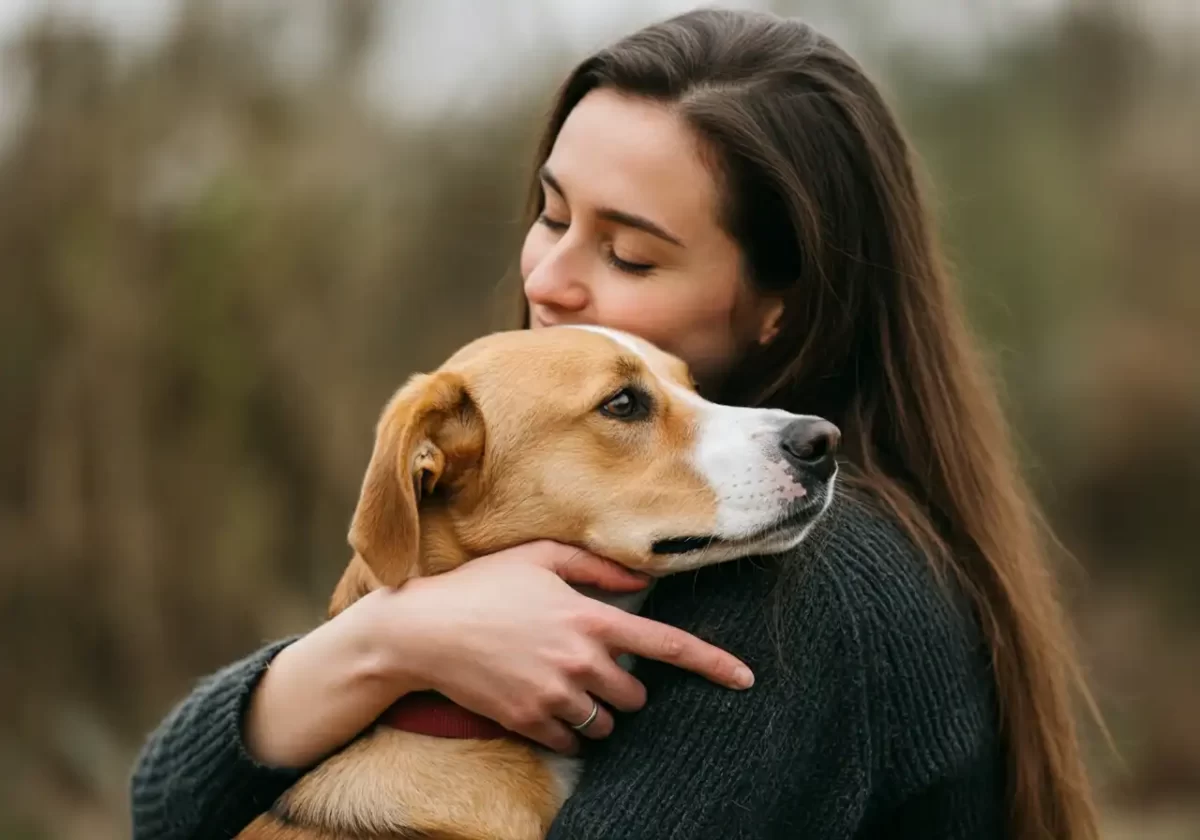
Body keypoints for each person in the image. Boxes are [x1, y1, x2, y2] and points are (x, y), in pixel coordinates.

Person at [129, 8, 1102, 839]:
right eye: (551, 216)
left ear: (783, 304)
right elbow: (166, 800)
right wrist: (390, 639)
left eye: (630, 255)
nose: (546, 280)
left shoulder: (791, 591)